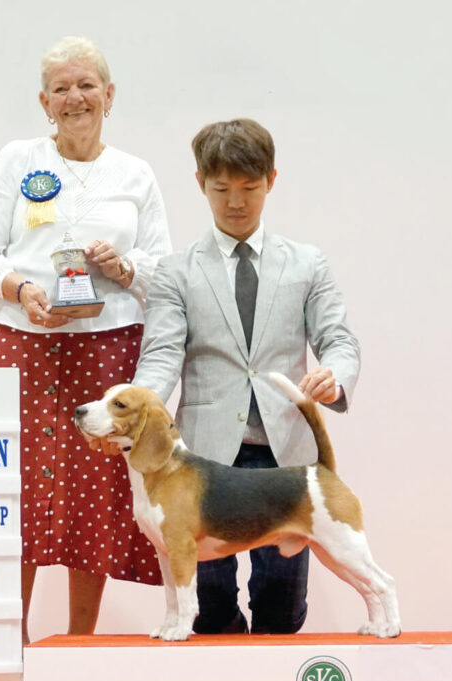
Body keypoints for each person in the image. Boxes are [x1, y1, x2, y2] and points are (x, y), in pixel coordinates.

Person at [0, 36, 170, 643]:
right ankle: (13, 646)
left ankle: (81, 646)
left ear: (109, 94)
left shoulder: (136, 174)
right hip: (21, 342)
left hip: (106, 347)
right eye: (60, 88)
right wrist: (20, 289)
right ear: (44, 102)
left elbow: (165, 271)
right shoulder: (17, 160)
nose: (74, 97)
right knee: (16, 487)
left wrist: (124, 267)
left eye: (86, 85)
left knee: (96, 492)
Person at [131, 118, 360, 634]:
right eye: (221, 189)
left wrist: (335, 375)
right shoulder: (175, 271)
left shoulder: (307, 264)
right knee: (209, 610)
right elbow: (161, 354)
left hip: (286, 458)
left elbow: (339, 339)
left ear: (271, 181)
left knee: (282, 609)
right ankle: (228, 673)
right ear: (200, 183)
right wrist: (137, 408)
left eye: (250, 188)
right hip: (203, 461)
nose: (236, 202)